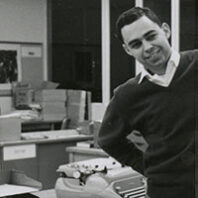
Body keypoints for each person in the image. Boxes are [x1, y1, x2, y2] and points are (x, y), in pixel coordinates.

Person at [97, 7, 197, 198]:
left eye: (151, 36)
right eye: (136, 44)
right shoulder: (128, 95)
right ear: (128, 50)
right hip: (166, 192)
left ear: (165, 30)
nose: (148, 47)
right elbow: (108, 140)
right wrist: (149, 166)